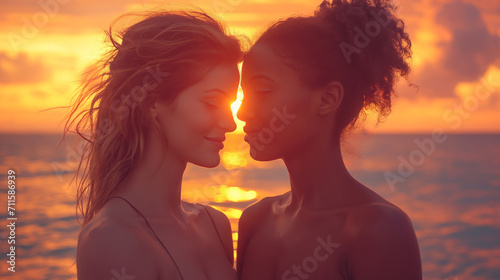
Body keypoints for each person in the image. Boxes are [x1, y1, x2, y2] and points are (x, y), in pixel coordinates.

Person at [236, 0, 422, 279]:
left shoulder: (379, 229)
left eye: (262, 91)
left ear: (327, 98)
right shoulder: (255, 220)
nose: (241, 112)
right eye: (243, 93)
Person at [65, 10, 242, 280]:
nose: (230, 124)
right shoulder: (112, 239)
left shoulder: (214, 225)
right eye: (211, 103)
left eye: (229, 104)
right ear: (151, 102)